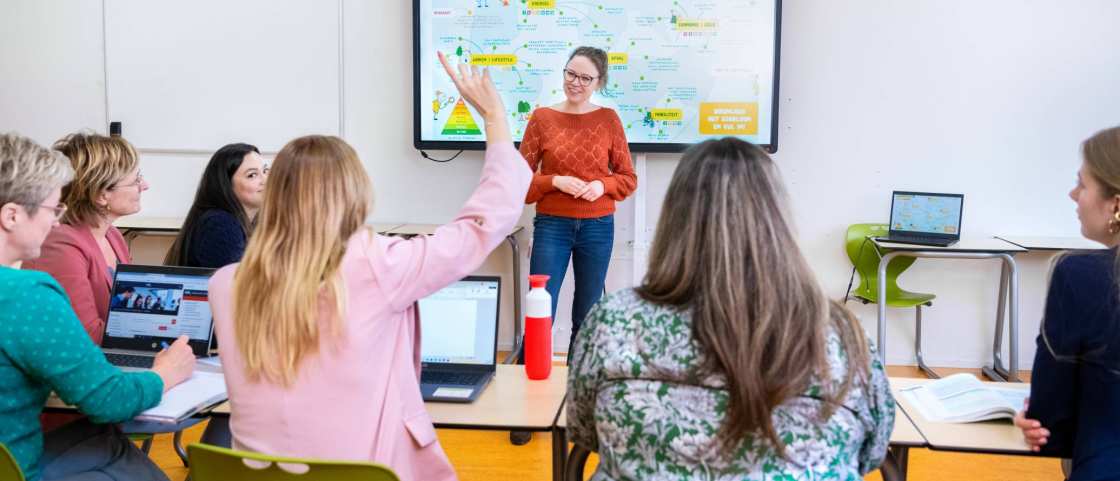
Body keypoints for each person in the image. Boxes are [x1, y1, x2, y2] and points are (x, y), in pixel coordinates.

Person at [208, 51, 530, 481]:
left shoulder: (225, 285)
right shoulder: (378, 265)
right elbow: (480, 227)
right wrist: (494, 119)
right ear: (354, 194)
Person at [566, 137, 895, 480]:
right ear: (778, 222)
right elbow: (871, 450)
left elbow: (585, 430)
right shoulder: (840, 334)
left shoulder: (614, 320)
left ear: (674, 221)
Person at [0, 132, 197, 481]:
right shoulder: (27, 294)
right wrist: (165, 373)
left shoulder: (111, 238)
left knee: (108, 445)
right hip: (18, 466)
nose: (56, 221)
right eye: (51, 208)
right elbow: (106, 400)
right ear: (12, 216)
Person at [1015, 126, 1120, 480]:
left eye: (1083, 184)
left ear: (1115, 204)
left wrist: (1035, 419)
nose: (1073, 194)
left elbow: (1050, 426)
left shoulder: (1079, 276)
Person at [519, 46, 637, 353]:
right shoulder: (542, 118)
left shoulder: (609, 120)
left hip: (598, 228)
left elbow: (627, 178)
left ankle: (578, 386)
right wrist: (553, 180)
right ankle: (531, 385)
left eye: (586, 78)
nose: (576, 82)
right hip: (551, 227)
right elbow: (518, 182)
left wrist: (603, 185)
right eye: (571, 73)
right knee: (540, 309)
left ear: (599, 82)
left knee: (587, 316)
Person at [23, 132, 147, 344]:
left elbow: (127, 314)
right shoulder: (61, 245)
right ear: (101, 195)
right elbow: (84, 337)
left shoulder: (113, 235)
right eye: (135, 180)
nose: (144, 185)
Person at [164, 143, 266, 268]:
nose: (266, 180)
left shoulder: (250, 223)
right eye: (252, 175)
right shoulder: (221, 224)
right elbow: (234, 284)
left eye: (265, 170)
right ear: (226, 185)